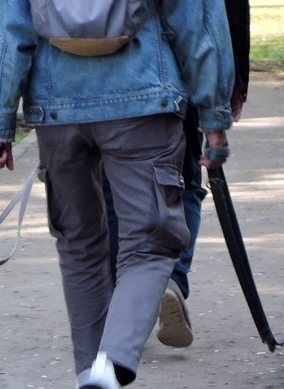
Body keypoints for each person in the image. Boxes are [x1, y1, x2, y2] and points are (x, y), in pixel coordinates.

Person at [0, 0, 235, 389]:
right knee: (150, 245)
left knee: (79, 247)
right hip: (143, 99)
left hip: (57, 109)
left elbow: (8, 27)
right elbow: (199, 24)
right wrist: (214, 118)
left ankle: (92, 387)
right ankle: (107, 372)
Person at [107, 0, 251, 349]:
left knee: (110, 188)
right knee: (183, 180)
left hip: (85, 73)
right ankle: (170, 280)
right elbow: (223, 11)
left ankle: (120, 298)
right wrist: (231, 87)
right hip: (174, 70)